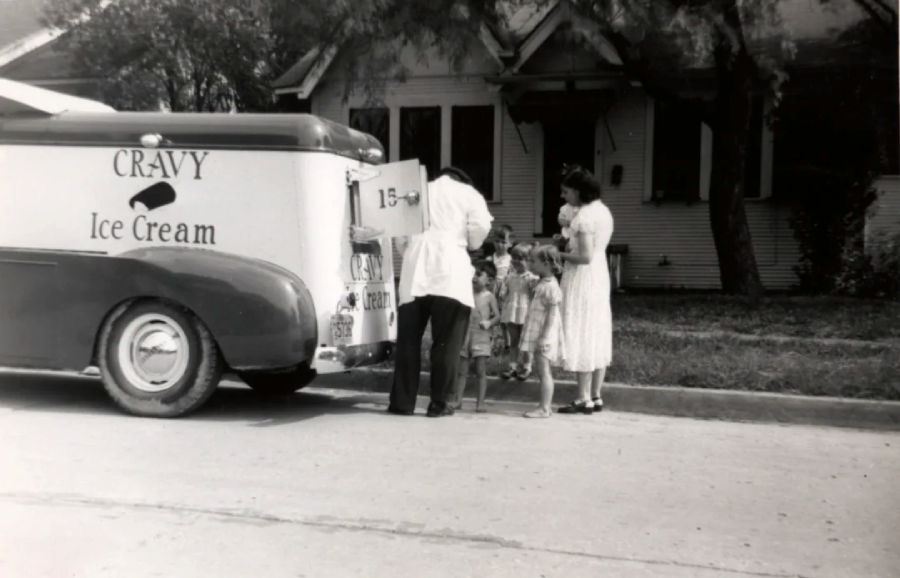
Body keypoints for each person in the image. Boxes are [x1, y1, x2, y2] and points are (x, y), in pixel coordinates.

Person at [387, 166, 493, 418]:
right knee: (447, 343)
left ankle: (403, 403)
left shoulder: (417, 191)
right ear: (463, 180)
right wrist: (469, 243)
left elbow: (400, 237)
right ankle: (439, 403)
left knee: (408, 342)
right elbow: (480, 228)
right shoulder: (469, 193)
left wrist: (413, 257)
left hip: (416, 271)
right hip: (451, 272)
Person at [555, 165, 614, 415]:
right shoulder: (603, 211)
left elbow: (585, 256)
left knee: (582, 329)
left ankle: (582, 398)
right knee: (596, 328)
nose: (564, 196)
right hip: (599, 275)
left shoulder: (584, 217)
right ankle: (596, 395)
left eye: (567, 191)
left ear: (579, 192)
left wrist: (556, 253)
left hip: (583, 277)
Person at [519, 244, 567, 419]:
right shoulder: (542, 282)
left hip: (544, 333)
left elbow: (552, 315)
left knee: (544, 370)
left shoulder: (552, 287)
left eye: (533, 261)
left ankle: (545, 408)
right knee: (541, 370)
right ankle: (544, 406)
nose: (529, 264)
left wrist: (544, 337)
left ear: (546, 263)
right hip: (539, 329)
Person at [451, 260, 500, 413]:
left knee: (480, 370)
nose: (474, 277)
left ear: (489, 280)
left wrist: (489, 323)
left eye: (478, 274)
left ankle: (480, 402)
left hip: (481, 336)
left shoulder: (489, 296)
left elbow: (498, 316)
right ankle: (458, 400)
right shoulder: (466, 294)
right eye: (473, 274)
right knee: (461, 371)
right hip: (466, 335)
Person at [498, 243, 538, 381]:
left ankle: (527, 366)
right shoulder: (510, 276)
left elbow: (534, 296)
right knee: (514, 339)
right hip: (513, 311)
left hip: (526, 311)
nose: (515, 261)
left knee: (526, 341)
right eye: (513, 258)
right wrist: (502, 292)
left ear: (529, 261)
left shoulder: (532, 278)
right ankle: (513, 366)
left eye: (520, 258)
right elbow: (504, 292)